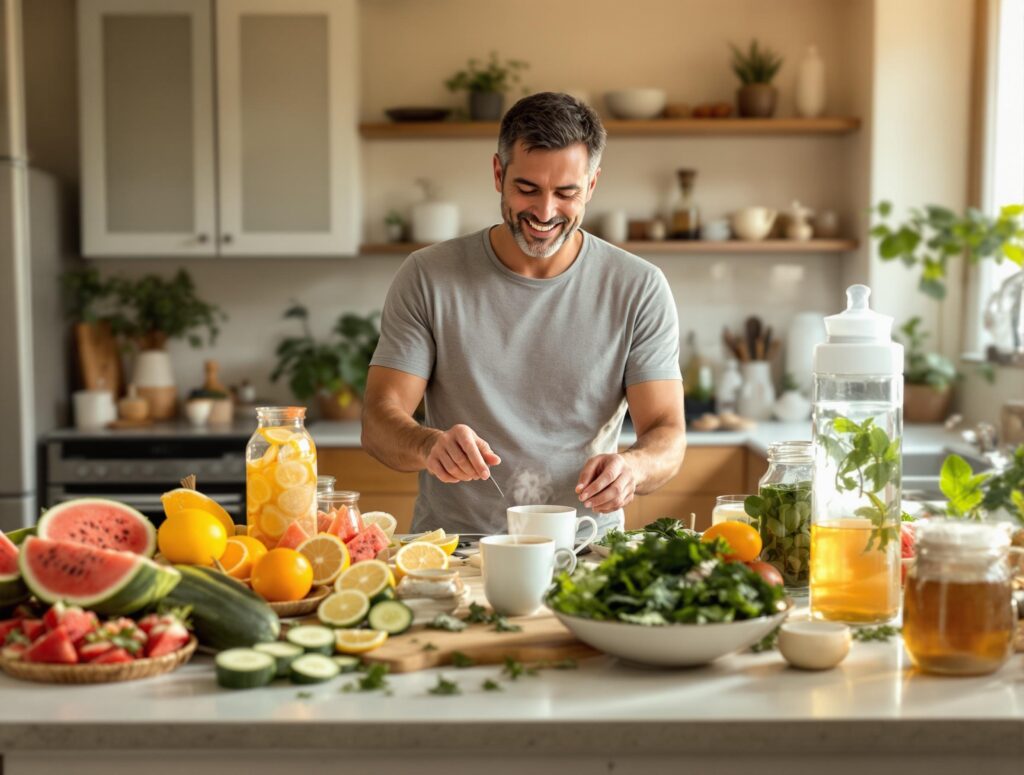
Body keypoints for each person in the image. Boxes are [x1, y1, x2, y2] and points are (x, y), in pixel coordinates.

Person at [362, 91, 686, 536]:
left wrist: (634, 467)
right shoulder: (428, 276)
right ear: (498, 173)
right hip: (457, 551)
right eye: (527, 188)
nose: (545, 212)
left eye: (567, 193)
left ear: (591, 186)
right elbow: (379, 420)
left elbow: (667, 432)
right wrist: (428, 445)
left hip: (585, 553)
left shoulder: (638, 287)